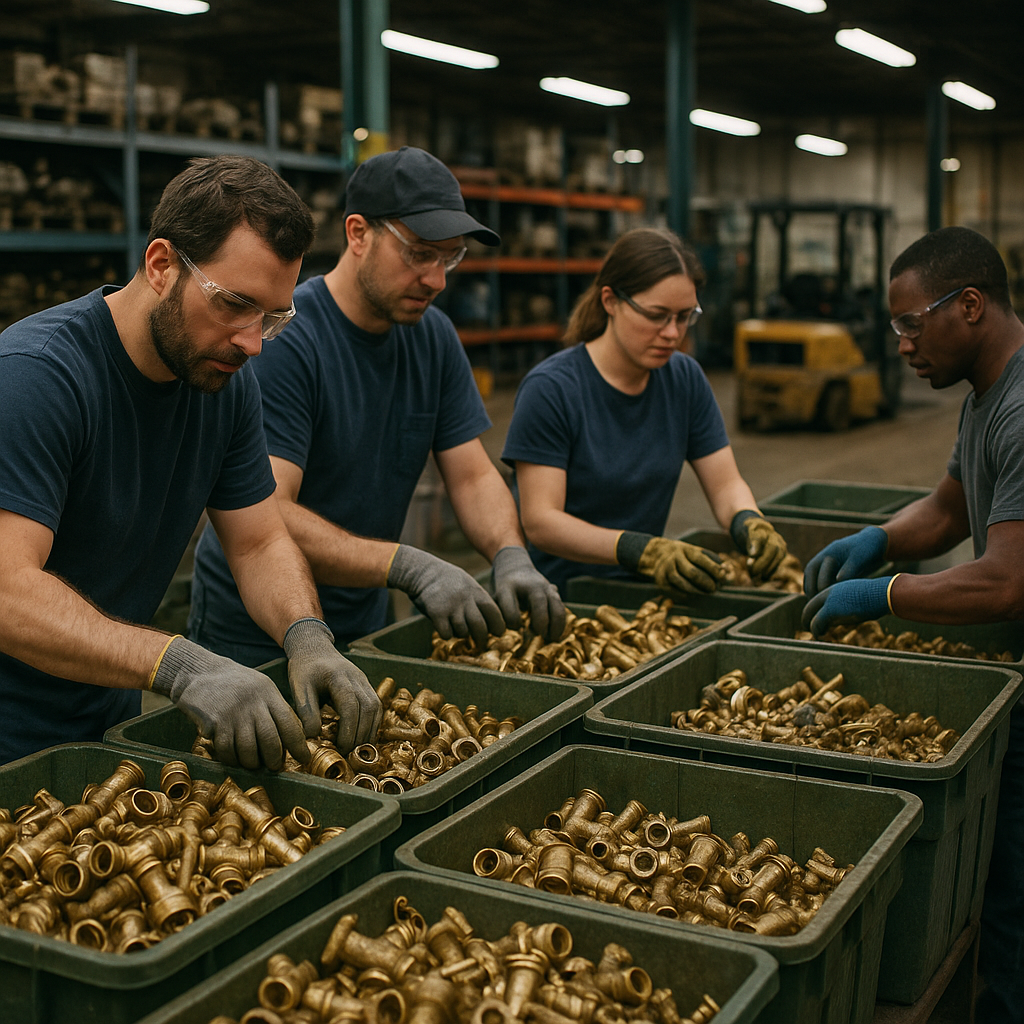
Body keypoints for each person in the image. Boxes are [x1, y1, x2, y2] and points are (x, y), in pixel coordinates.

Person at [0, 155, 381, 771]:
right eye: (234, 304)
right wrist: (179, 663)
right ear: (160, 265)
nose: (252, 341)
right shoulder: (37, 379)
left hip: (105, 724)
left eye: (273, 317)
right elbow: (7, 592)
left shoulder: (223, 382)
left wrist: (306, 634)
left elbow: (256, 542)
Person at [189, 146, 565, 668]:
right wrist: (409, 565)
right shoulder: (285, 338)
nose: (437, 279)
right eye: (419, 253)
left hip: (366, 612)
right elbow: (269, 511)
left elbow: (472, 475)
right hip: (257, 631)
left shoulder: (432, 336)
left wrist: (510, 552)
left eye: (449, 257)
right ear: (358, 234)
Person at [801, 226, 1024, 1024]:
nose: (900, 344)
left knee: (1016, 915)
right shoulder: (986, 398)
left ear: (969, 305)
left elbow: (1005, 583)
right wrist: (881, 542)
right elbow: (948, 510)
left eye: (909, 323)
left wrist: (883, 596)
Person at [500, 227, 788, 598]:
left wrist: (748, 521)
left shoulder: (684, 380)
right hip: (554, 597)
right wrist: (641, 550)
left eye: (685, 317)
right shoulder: (552, 390)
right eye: (657, 316)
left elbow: (726, 484)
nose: (673, 333)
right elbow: (541, 522)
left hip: (640, 591)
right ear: (610, 301)